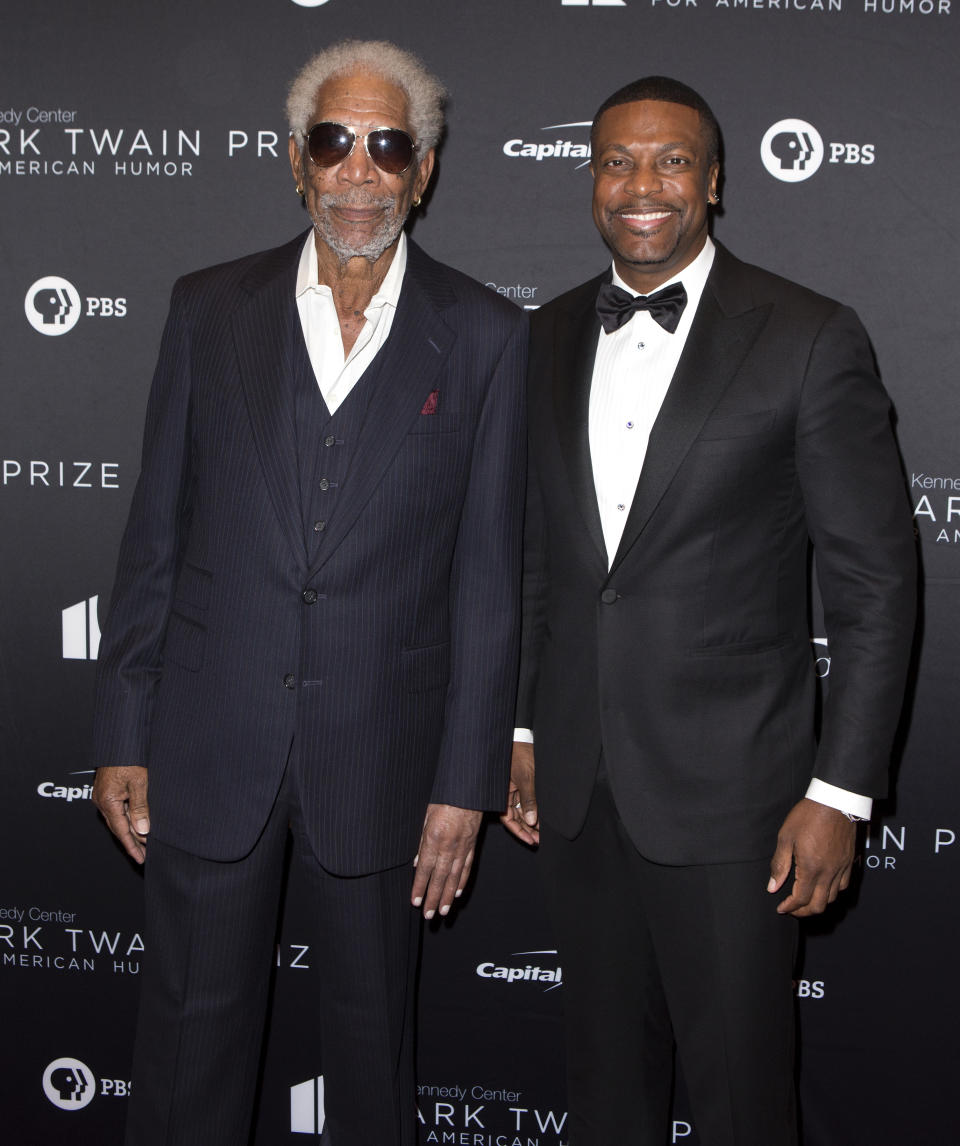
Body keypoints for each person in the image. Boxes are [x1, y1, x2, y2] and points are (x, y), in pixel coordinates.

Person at [91, 39, 526, 1146]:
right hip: (208, 739)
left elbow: (490, 577)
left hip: (384, 755)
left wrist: (462, 784)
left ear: (423, 171)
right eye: (335, 141)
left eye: (390, 145)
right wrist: (123, 729)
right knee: (187, 1049)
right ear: (297, 160)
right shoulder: (206, 308)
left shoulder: (483, 335)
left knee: (373, 1063)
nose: (359, 169)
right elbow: (155, 536)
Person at [502, 76, 915, 1146]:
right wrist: (523, 726)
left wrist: (842, 792)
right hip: (583, 797)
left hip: (742, 809)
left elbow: (873, 587)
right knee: (605, 1096)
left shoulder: (810, 337)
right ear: (591, 181)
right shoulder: (540, 341)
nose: (642, 186)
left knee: (741, 1101)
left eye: (671, 161)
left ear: (716, 182)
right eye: (617, 162)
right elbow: (541, 558)